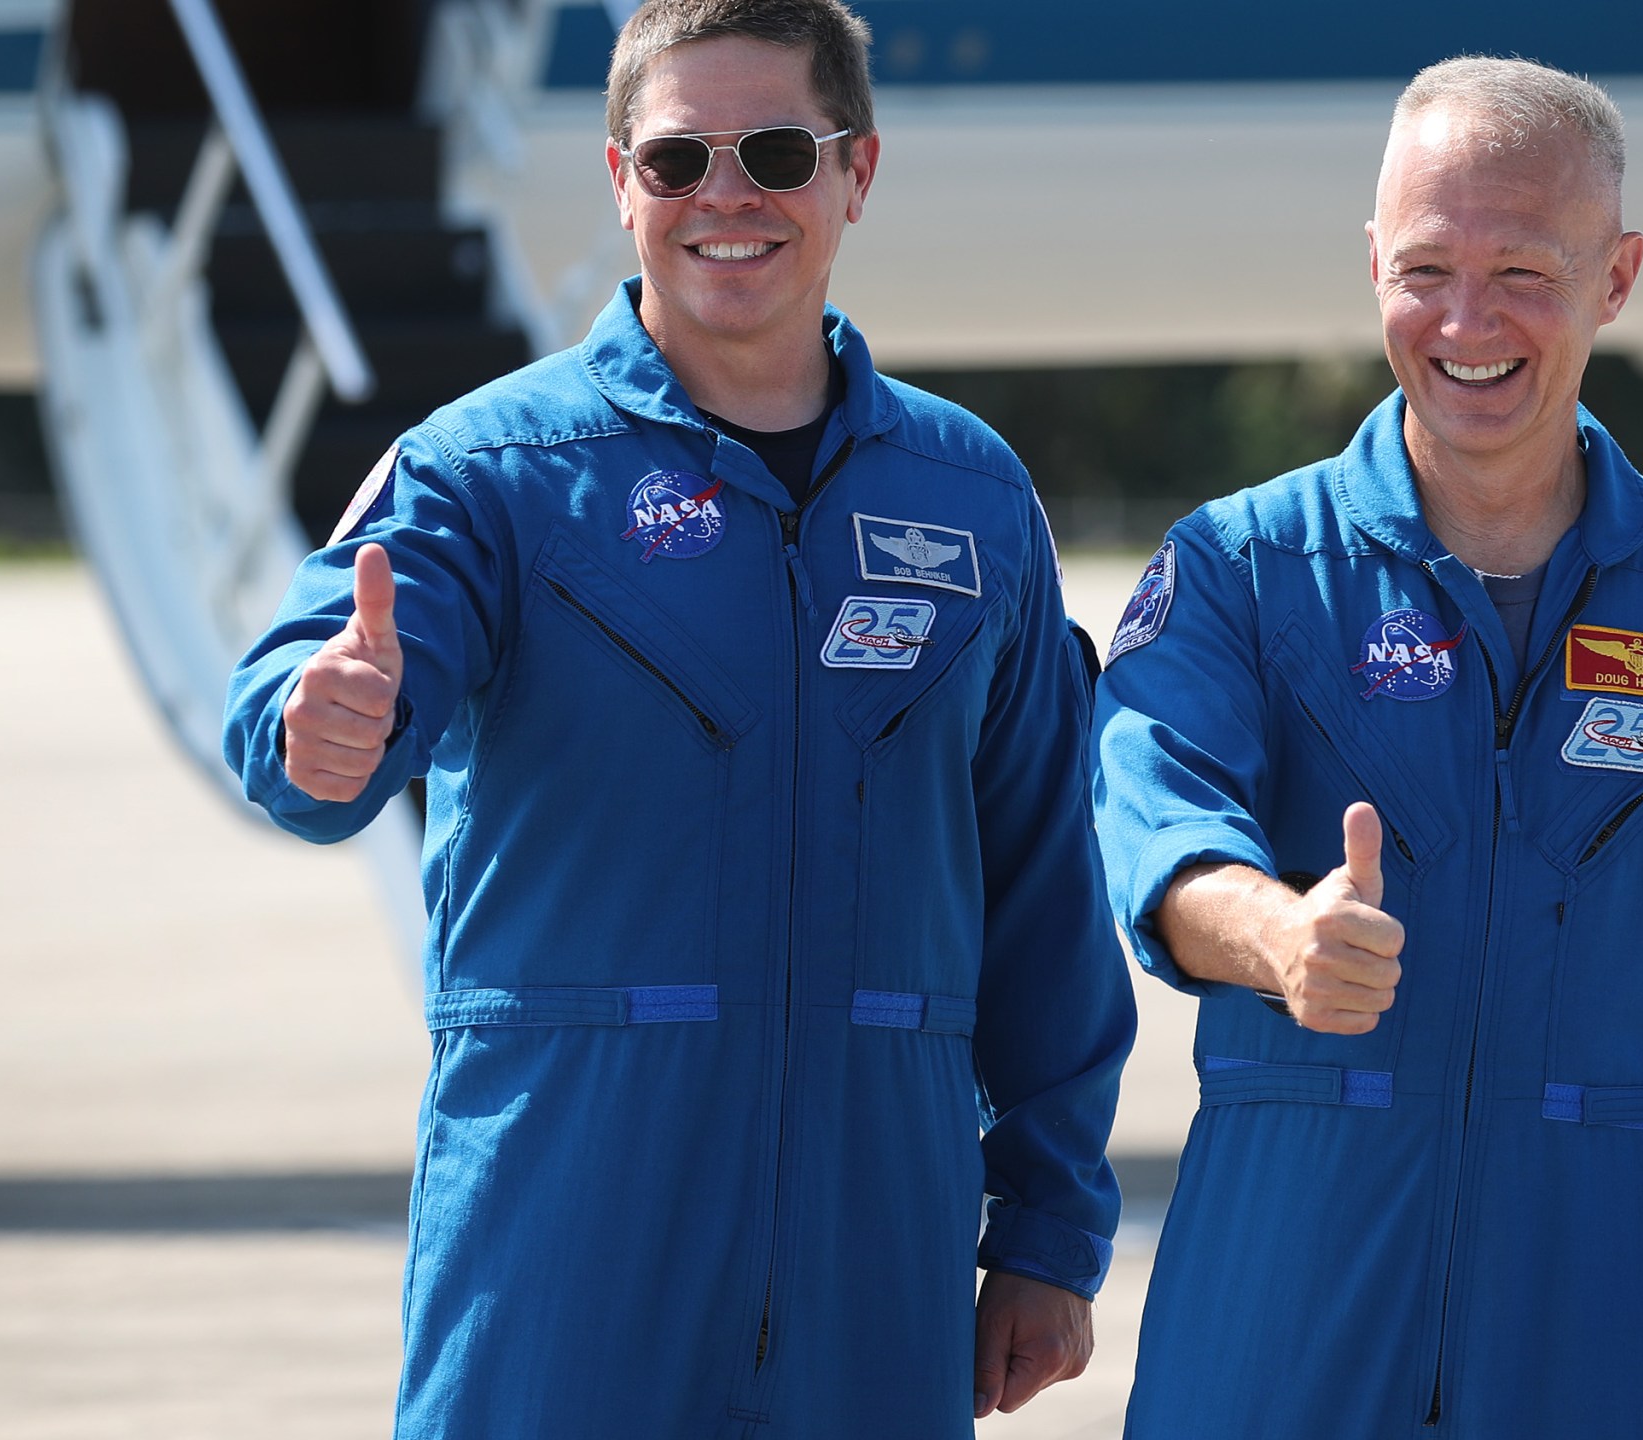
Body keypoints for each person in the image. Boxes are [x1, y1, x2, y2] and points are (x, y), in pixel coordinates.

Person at [221, 2, 1134, 1433]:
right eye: (675, 159)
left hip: (872, 1272)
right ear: (617, 179)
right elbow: (312, 705)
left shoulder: (970, 497)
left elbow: (1043, 892)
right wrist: (311, 724)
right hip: (562, 1256)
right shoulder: (489, 473)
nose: (725, 195)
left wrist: (1048, 1229)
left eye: (775, 150)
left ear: (858, 173)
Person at [1092, 57, 1643, 1440]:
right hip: (1277, 1336)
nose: (1467, 320)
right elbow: (1156, 823)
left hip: (1604, 1343)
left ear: (1619, 277)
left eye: (1524, 271)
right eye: (1426, 266)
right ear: (1371, 266)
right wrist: (1279, 937)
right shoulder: (1243, 568)